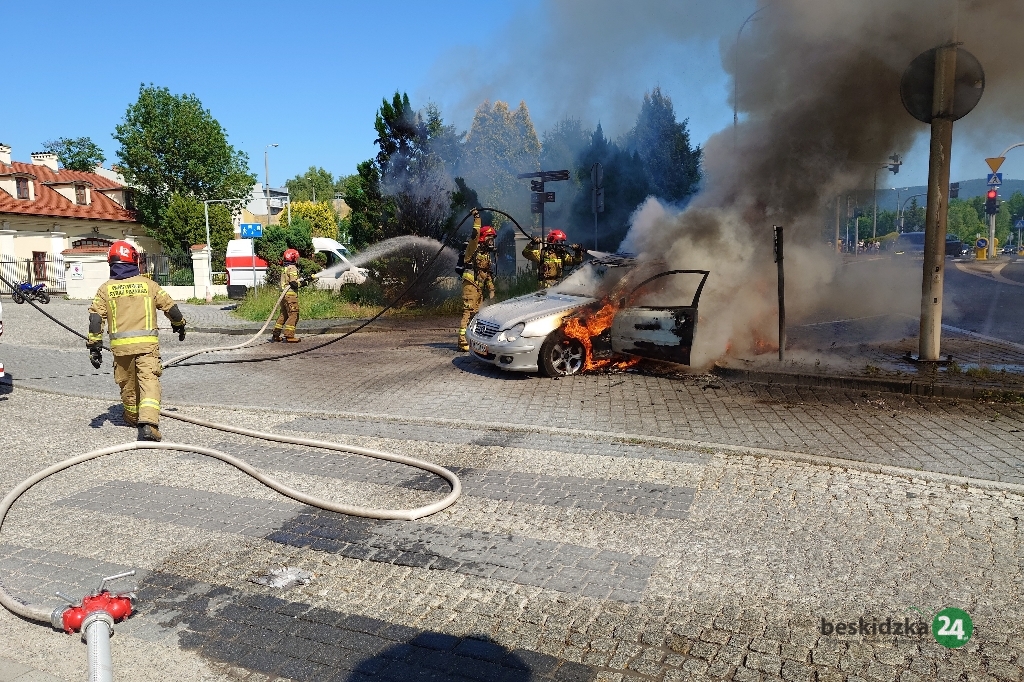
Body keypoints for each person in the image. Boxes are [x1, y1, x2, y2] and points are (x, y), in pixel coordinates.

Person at [87, 240, 186, 442]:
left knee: (128, 385)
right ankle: (148, 424)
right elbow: (170, 307)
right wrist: (179, 324)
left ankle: (132, 417)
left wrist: (95, 345)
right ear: (134, 261)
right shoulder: (149, 285)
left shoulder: (105, 289)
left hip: (120, 351)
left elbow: (96, 318)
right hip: (147, 347)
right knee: (149, 382)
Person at [458, 209, 497, 351]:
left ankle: (472, 339)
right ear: (483, 238)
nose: (492, 241)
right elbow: (475, 234)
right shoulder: (472, 248)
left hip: (479, 287)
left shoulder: (485, 254)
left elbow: (487, 274)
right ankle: (462, 342)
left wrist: (491, 289)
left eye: (493, 238)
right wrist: (477, 218)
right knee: (468, 312)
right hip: (470, 285)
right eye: (489, 238)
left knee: (477, 313)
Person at [272, 248, 303, 343]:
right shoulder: (292, 268)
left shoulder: (285, 268)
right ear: (293, 258)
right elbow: (293, 283)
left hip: (284, 295)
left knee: (284, 315)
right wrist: (304, 283)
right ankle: (289, 336)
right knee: (294, 314)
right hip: (290, 296)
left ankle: (276, 334)